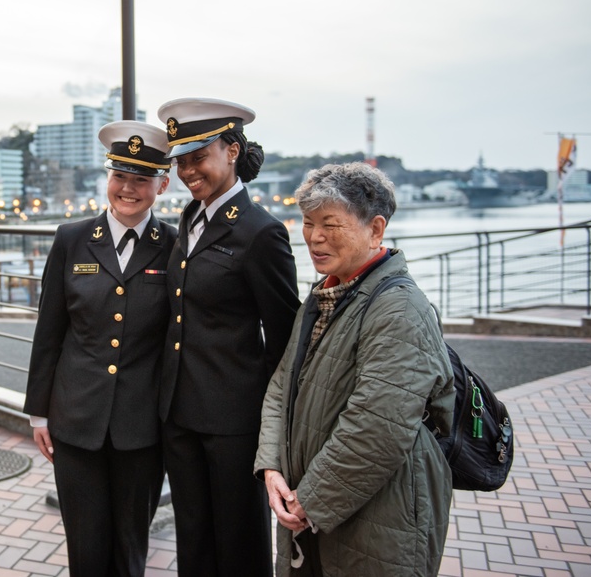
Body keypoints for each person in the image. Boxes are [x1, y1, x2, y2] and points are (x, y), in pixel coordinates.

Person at [254, 162, 455, 576]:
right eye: (308, 223)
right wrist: (271, 466)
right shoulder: (323, 294)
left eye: (331, 224)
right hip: (310, 508)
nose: (314, 237)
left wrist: (309, 500)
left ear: (376, 230)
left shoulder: (400, 309)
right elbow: (281, 386)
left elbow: (378, 426)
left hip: (381, 517)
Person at [24, 120, 178, 576]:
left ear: (162, 184)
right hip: (75, 421)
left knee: (130, 546)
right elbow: (49, 330)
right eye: (120, 177)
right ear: (107, 180)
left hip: (142, 426)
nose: (128, 189)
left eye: (141, 180)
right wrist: (39, 412)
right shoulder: (71, 239)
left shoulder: (173, 245)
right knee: (85, 550)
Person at [157, 97, 301, 576]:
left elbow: (284, 339)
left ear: (232, 150)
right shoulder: (188, 221)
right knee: (193, 539)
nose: (187, 171)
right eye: (181, 161)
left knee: (239, 543)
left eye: (199, 157)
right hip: (179, 415)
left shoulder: (261, 233)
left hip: (233, 422)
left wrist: (273, 428)